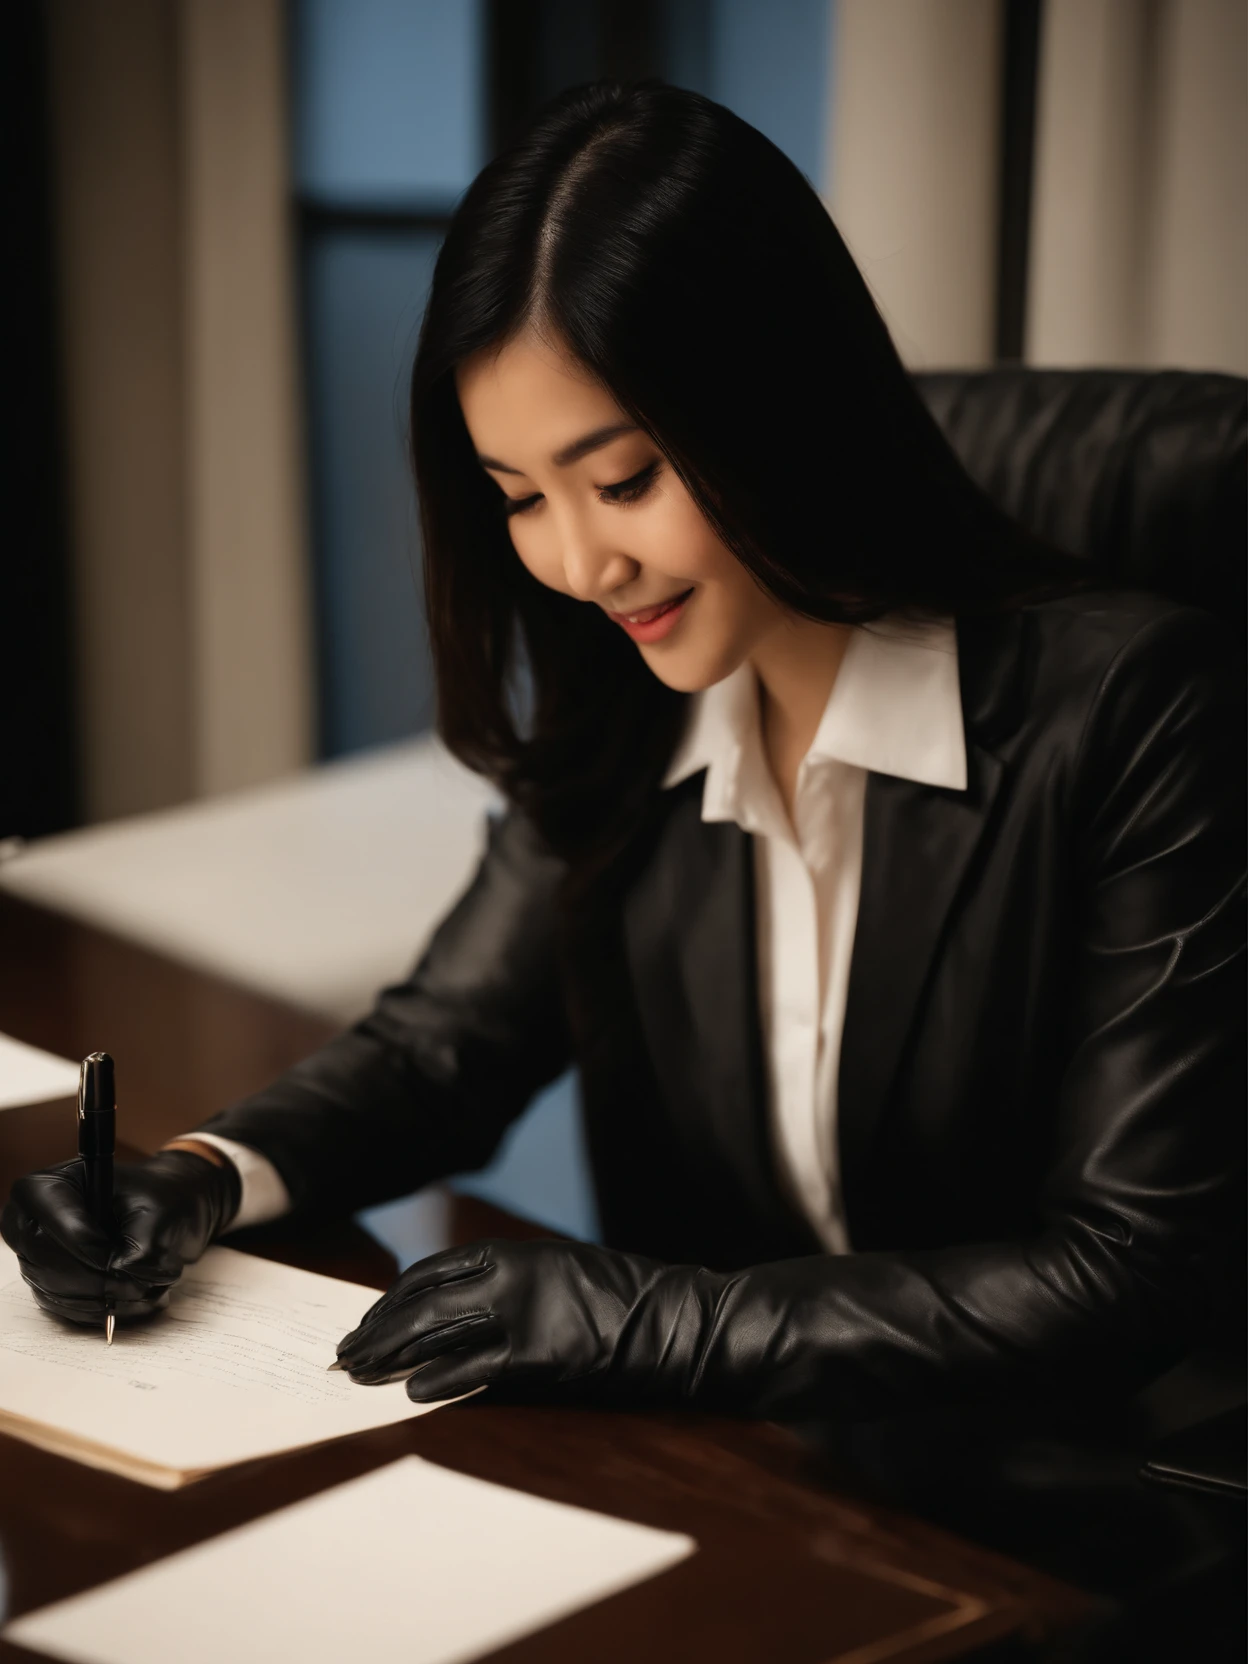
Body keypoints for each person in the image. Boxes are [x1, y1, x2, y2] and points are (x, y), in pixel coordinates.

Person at [4, 81, 1242, 1423]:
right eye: (522, 499)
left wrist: (657, 1324)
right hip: (735, 1478)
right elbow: (445, 1047)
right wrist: (206, 1175)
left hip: (1037, 1501)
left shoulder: (1138, 708)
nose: (580, 565)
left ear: (783, 409)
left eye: (626, 479)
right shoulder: (639, 688)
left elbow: (1126, 1269)